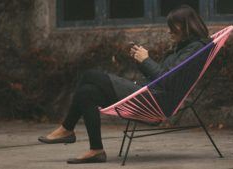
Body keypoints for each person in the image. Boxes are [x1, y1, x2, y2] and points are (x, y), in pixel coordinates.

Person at [38, 5, 210, 164]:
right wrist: (142, 61)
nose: (169, 31)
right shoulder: (185, 47)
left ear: (187, 26)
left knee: (90, 75)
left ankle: (67, 129)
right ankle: (96, 150)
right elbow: (164, 76)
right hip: (151, 94)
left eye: (173, 27)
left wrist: (147, 60)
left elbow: (166, 79)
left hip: (155, 100)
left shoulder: (195, 48)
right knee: (87, 92)